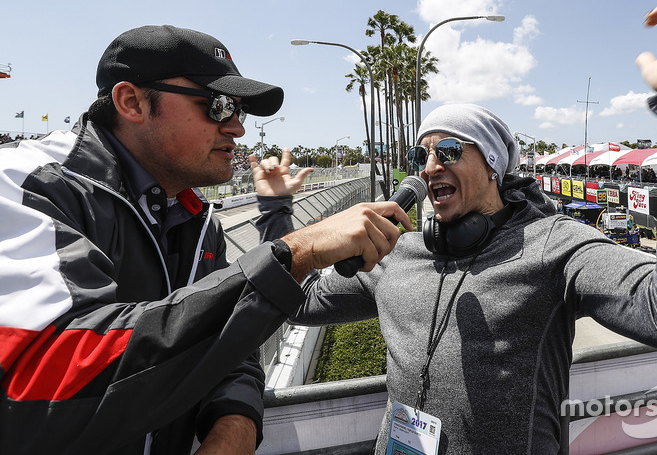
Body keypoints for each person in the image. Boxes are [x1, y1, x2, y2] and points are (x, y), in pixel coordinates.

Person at [256, 0, 657, 453]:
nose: (430, 167)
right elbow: (297, 302)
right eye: (421, 156)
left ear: (492, 166)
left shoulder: (556, 245)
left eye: (448, 151)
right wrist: (275, 208)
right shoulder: (396, 256)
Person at [0, 25, 412, 455]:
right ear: (131, 102)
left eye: (240, 111)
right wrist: (295, 254)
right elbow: (51, 377)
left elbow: (231, 347)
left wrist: (234, 428)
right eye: (217, 105)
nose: (236, 128)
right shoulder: (27, 185)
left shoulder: (195, 216)